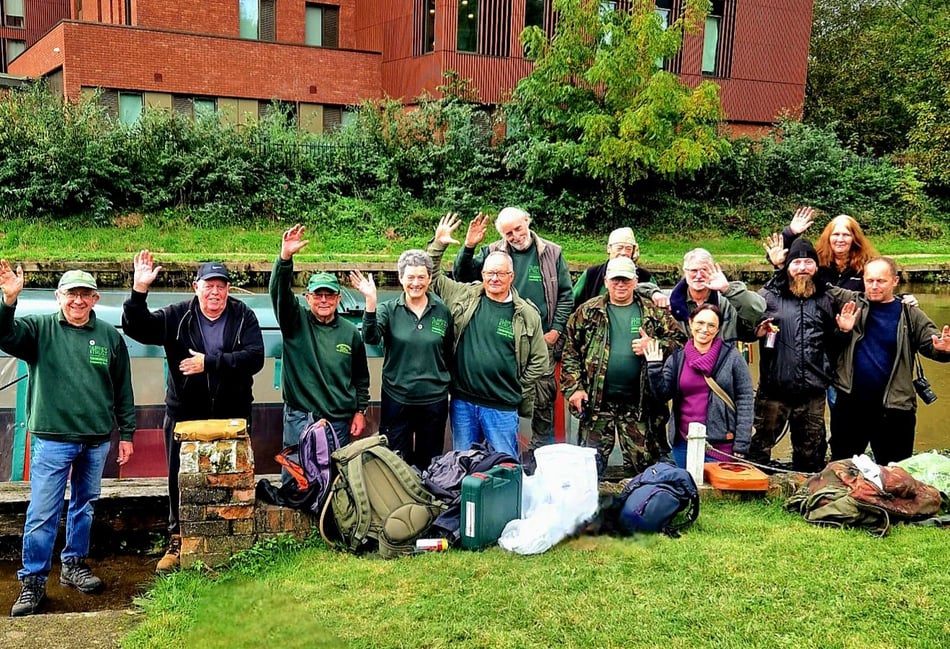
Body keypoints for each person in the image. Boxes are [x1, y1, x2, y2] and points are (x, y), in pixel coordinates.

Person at [0, 264, 135, 617]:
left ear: (95, 298)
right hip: (52, 438)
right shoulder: (37, 329)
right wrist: (9, 299)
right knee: (43, 512)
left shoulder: (109, 336)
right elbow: (3, 334)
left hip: (96, 439)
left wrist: (128, 433)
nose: (77, 300)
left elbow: (123, 388)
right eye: (70, 293)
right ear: (58, 296)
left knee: (84, 505)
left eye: (84, 294)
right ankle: (32, 582)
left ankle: (74, 564)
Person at [122, 252, 265, 572]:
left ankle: (233, 535)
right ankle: (178, 538)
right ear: (195, 287)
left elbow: (255, 357)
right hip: (185, 412)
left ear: (228, 290)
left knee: (232, 472)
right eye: (209, 286)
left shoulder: (243, 316)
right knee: (178, 477)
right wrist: (138, 291)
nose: (215, 292)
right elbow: (138, 328)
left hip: (232, 412)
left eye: (221, 286)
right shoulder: (176, 316)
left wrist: (210, 362)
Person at [425, 213, 549, 460]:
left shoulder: (526, 314)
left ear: (511, 277)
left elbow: (540, 361)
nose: (494, 278)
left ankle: (504, 500)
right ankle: (466, 501)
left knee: (505, 467)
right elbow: (432, 277)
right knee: (463, 466)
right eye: (489, 273)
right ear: (482, 273)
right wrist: (438, 244)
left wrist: (516, 388)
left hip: (502, 407)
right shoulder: (464, 295)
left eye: (501, 274)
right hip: (463, 404)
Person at [451, 208, 572, 456]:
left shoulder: (552, 253)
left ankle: (541, 462)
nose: (515, 236)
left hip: (540, 340)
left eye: (518, 229)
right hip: (503, 338)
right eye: (508, 233)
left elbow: (566, 295)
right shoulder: (492, 253)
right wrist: (469, 247)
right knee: (500, 405)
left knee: (542, 402)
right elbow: (462, 276)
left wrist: (556, 330)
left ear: (527, 221)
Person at [561, 256, 686, 476]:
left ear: (635, 281)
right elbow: (570, 352)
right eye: (616, 280)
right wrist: (574, 389)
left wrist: (655, 344)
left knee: (646, 467)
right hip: (597, 405)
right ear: (606, 280)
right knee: (588, 469)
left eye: (626, 280)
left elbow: (682, 344)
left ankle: (645, 506)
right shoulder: (587, 312)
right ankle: (589, 508)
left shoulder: (653, 312)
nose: (620, 285)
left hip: (640, 406)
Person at [270, 224, 370, 481]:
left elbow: (360, 377)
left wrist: (360, 410)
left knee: (336, 481)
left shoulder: (350, 332)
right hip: (299, 418)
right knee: (295, 481)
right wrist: (284, 259)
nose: (323, 300)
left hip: (338, 421)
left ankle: (330, 521)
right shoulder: (294, 322)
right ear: (307, 297)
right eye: (317, 295)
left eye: (329, 295)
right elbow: (279, 292)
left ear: (338, 299)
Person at [830, 257, 950, 465]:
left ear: (894, 281)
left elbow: (932, 343)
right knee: (843, 470)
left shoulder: (910, 313)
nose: (874, 286)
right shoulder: (851, 303)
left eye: (881, 281)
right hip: (851, 405)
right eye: (869, 280)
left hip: (894, 408)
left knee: (896, 473)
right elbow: (813, 283)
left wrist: (943, 350)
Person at [746, 238, 846, 473]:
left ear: (816, 267)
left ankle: (805, 490)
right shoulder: (769, 296)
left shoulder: (827, 298)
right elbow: (746, 325)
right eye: (797, 262)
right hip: (773, 391)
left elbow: (835, 345)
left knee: (809, 451)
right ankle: (755, 491)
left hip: (812, 393)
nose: (802, 267)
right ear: (788, 267)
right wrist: (755, 331)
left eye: (808, 262)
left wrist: (843, 331)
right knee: (760, 445)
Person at [349, 250, 453, 470]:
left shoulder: (442, 311)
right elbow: (370, 337)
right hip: (397, 398)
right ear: (401, 278)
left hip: (433, 400)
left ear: (430, 279)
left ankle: (426, 500)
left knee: (430, 459)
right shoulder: (389, 310)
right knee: (395, 459)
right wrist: (370, 301)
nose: (416, 283)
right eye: (410, 277)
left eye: (421, 277)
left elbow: (447, 352)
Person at [645, 304, 754, 467]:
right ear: (691, 323)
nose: (705, 329)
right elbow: (662, 395)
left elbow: (745, 400)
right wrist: (654, 367)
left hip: (721, 444)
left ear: (717, 330)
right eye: (700, 323)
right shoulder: (677, 359)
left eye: (711, 325)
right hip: (683, 442)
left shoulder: (732, 357)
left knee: (718, 491)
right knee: (686, 487)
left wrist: (742, 442)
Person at [640, 248, 765, 343]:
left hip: (720, 369)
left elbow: (757, 309)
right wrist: (653, 293)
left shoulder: (729, 299)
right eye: (693, 270)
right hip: (682, 370)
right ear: (685, 271)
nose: (699, 276)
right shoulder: (668, 298)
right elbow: (631, 288)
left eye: (704, 270)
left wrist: (727, 289)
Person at [764, 208, 878, 291]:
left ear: (855, 238)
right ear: (828, 237)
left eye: (846, 235)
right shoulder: (816, 260)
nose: (840, 239)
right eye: (836, 234)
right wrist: (791, 233)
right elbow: (774, 258)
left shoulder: (868, 265)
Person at [572, 227, 652, 309]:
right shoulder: (592, 274)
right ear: (609, 249)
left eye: (628, 249)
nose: (623, 253)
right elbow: (570, 301)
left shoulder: (645, 277)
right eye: (619, 248)